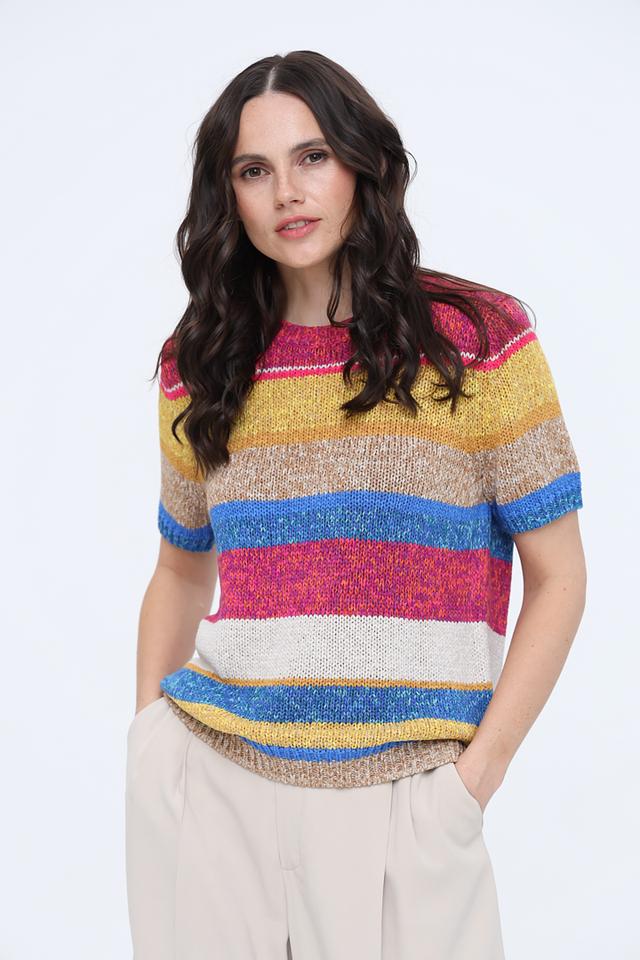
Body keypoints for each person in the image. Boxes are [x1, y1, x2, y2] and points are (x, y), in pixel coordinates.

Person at [125, 50, 587, 960]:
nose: (287, 193)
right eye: (253, 170)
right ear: (228, 196)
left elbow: (561, 577)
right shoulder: (203, 361)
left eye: (313, 156)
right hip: (214, 789)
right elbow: (180, 567)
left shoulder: (476, 342)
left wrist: (472, 780)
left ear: (362, 164)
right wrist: (148, 739)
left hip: (408, 802)